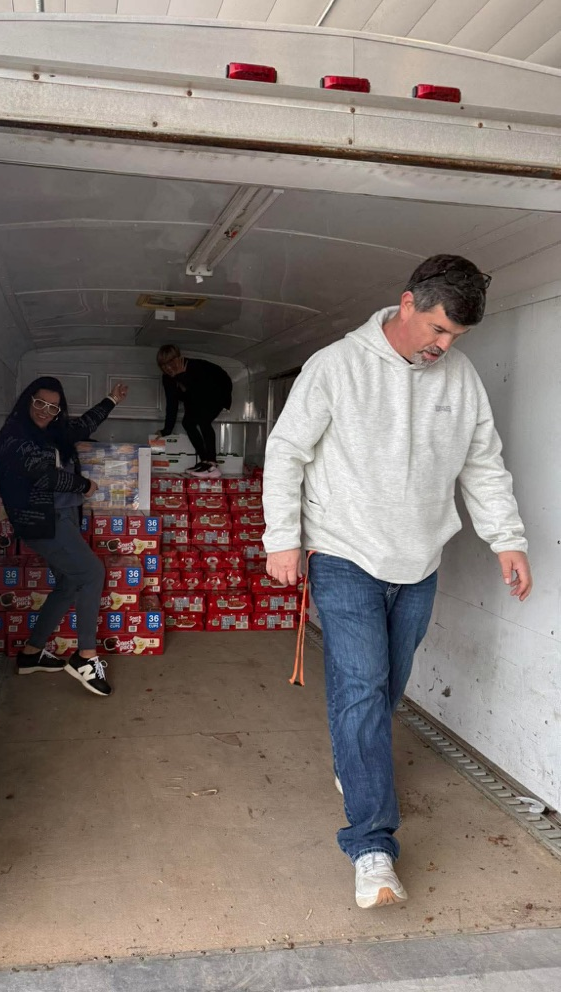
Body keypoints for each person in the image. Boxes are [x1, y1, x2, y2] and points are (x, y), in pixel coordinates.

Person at [262, 254, 532, 910]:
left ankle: (354, 766)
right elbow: (287, 452)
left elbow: (483, 463)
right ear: (407, 304)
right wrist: (283, 539)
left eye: (456, 337)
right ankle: (371, 846)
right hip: (344, 554)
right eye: (438, 330)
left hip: (420, 562)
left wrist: (507, 539)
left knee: (385, 689)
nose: (444, 346)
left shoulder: (460, 378)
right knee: (361, 688)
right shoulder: (336, 366)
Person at [0, 376, 128, 694]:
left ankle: (31, 654)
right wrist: (84, 485)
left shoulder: (53, 431)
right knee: (92, 573)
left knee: (69, 582)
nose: (45, 411)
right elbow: (43, 475)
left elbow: (82, 426)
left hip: (62, 516)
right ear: (28, 400)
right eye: (40, 403)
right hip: (42, 520)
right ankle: (85, 657)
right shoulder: (15, 436)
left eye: (53, 407)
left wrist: (111, 400)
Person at [156, 344, 232, 477]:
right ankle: (204, 461)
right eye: (163, 365)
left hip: (218, 387)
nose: (167, 367)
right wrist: (166, 430)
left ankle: (212, 465)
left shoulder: (193, 367)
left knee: (203, 419)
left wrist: (180, 376)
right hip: (198, 396)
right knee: (187, 423)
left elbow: (197, 394)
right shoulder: (167, 378)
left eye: (171, 362)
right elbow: (172, 403)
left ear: (178, 358)